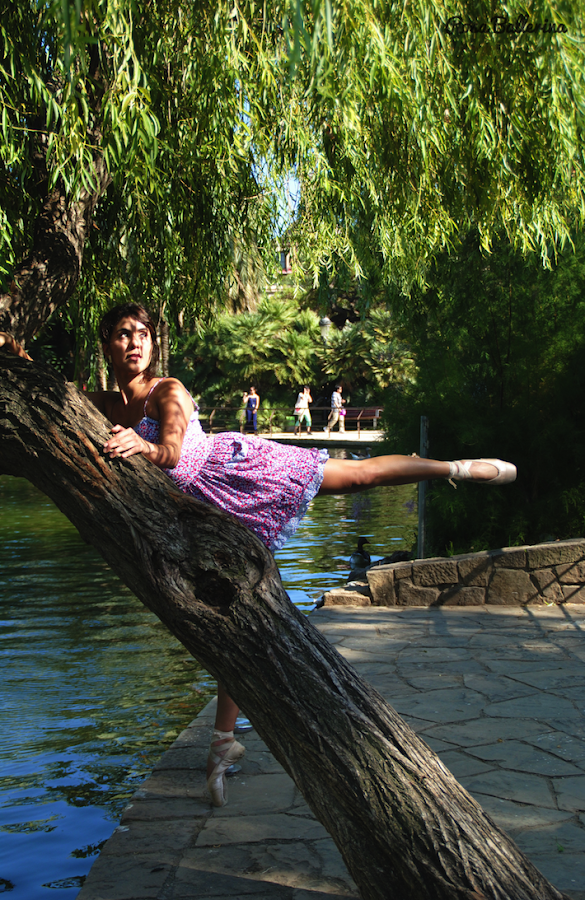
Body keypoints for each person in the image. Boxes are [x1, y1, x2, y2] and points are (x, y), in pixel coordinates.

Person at [0, 305, 517, 807]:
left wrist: (148, 449)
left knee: (355, 475)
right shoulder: (110, 407)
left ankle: (451, 467)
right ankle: (224, 743)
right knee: (237, 618)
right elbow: (51, 397)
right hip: (205, 519)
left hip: (239, 475)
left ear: (153, 344)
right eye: (120, 334)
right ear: (106, 345)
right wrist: (14, 354)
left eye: (141, 333)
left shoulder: (168, 391)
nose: (133, 342)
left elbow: (175, 451)